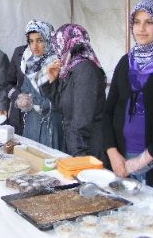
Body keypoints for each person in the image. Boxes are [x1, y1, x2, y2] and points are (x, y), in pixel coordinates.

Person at [103, 0, 153, 186]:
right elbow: (107, 112)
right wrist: (112, 152)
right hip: (121, 160)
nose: (141, 28)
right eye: (137, 22)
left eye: (149, 22)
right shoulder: (125, 62)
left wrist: (143, 159)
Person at [41, 24, 106, 160]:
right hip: (76, 145)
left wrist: (77, 155)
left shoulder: (84, 70)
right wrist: (51, 82)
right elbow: (63, 108)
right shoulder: (71, 70)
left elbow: (81, 121)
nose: (55, 50)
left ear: (66, 44)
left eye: (57, 44)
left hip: (87, 150)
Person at [15, 20, 63, 149]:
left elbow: (63, 98)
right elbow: (25, 88)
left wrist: (43, 105)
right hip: (32, 123)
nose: (34, 46)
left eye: (39, 40)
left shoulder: (58, 63)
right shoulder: (29, 63)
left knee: (50, 163)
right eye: (31, 41)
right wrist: (22, 99)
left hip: (52, 124)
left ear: (48, 40)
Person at [6, 43, 26, 135]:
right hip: (19, 110)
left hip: (41, 116)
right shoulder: (19, 52)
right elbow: (8, 82)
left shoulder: (53, 56)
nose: (35, 44)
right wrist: (17, 95)